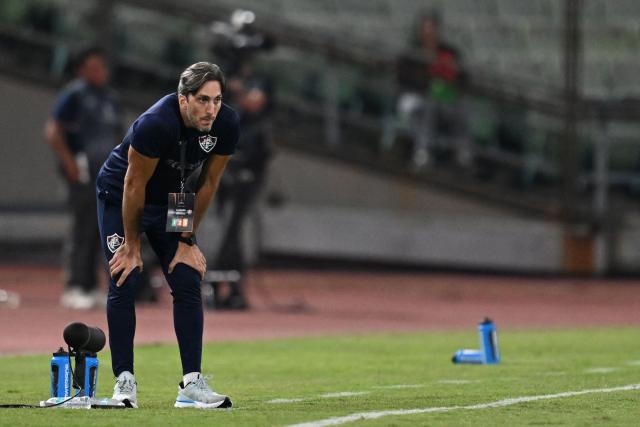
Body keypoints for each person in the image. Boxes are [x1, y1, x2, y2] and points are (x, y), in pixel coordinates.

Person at [96, 62, 238, 409]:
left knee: (188, 278)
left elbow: (208, 183)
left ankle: (191, 385)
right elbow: (134, 184)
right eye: (203, 100)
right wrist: (131, 245)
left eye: (217, 100)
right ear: (183, 98)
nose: (211, 110)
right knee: (125, 277)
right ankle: (124, 383)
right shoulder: (155, 124)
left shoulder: (227, 123)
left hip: (175, 198)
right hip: (122, 196)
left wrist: (187, 241)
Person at [45, 47, 123, 310]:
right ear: (82, 70)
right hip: (82, 172)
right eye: (94, 68)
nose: (100, 73)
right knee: (82, 227)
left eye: (102, 67)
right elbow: (53, 130)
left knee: (101, 228)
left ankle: (91, 285)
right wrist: (69, 162)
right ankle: (74, 285)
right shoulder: (74, 95)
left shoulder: (111, 98)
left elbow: (118, 138)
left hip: (106, 174)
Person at [208, 58, 274, 310]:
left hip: (244, 172)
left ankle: (230, 285)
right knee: (213, 230)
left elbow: (256, 103)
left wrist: (237, 89)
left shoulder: (258, 83)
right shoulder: (213, 82)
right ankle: (213, 284)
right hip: (212, 172)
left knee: (233, 232)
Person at [395, 11, 472, 170]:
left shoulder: (448, 52)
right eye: (425, 28)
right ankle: (422, 152)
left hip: (445, 99)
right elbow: (405, 78)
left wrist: (447, 82)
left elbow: (463, 78)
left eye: (431, 29)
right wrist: (429, 80)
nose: (428, 33)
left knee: (462, 106)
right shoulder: (412, 53)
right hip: (417, 99)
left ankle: (463, 153)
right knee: (429, 103)